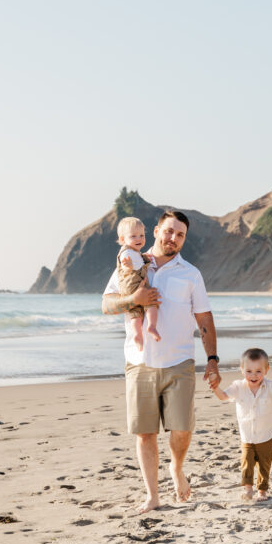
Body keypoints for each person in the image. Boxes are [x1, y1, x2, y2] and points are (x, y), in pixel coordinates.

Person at [102, 210, 220, 513]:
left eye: (180, 235)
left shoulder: (190, 273)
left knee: (182, 428)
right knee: (145, 432)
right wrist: (134, 301)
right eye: (169, 231)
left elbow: (204, 318)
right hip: (139, 361)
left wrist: (212, 359)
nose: (173, 239)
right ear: (156, 230)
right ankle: (152, 496)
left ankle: (177, 468)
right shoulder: (132, 262)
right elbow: (107, 304)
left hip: (180, 360)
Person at [210, 347, 272, 502]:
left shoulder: (271, 386)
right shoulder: (238, 386)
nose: (253, 375)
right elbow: (224, 396)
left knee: (264, 465)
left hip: (268, 435)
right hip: (247, 436)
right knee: (246, 462)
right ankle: (248, 489)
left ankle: (262, 491)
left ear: (266, 370)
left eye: (258, 371)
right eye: (249, 371)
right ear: (241, 370)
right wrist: (215, 387)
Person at [114, 216, 161, 350]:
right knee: (152, 302)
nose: (139, 239)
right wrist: (128, 266)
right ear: (123, 240)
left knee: (135, 312)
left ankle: (137, 334)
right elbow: (127, 266)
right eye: (133, 236)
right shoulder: (125, 252)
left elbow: (139, 261)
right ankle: (151, 326)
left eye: (141, 235)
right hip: (133, 283)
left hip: (131, 286)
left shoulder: (136, 252)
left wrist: (146, 258)